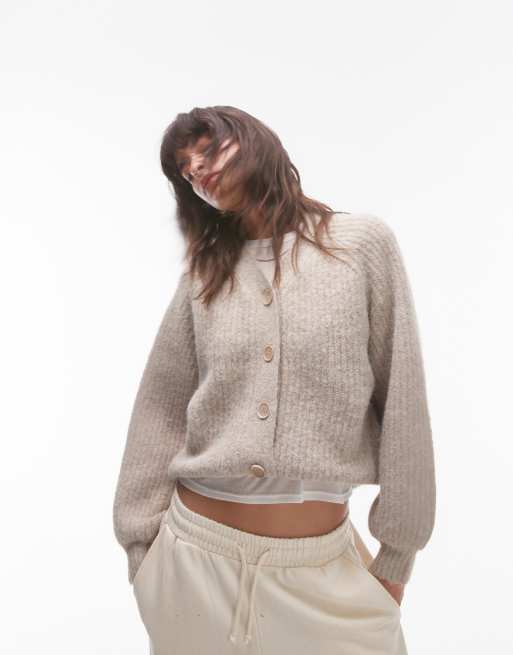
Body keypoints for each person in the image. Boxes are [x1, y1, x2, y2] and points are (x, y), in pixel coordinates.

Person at [112, 105, 436, 654]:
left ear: (255, 141)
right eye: (187, 171)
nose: (199, 170)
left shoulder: (360, 246)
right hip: (193, 567)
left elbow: (403, 399)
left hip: (325, 576)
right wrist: (143, 553)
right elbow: (160, 406)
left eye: (208, 150)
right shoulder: (204, 276)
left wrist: (396, 558)